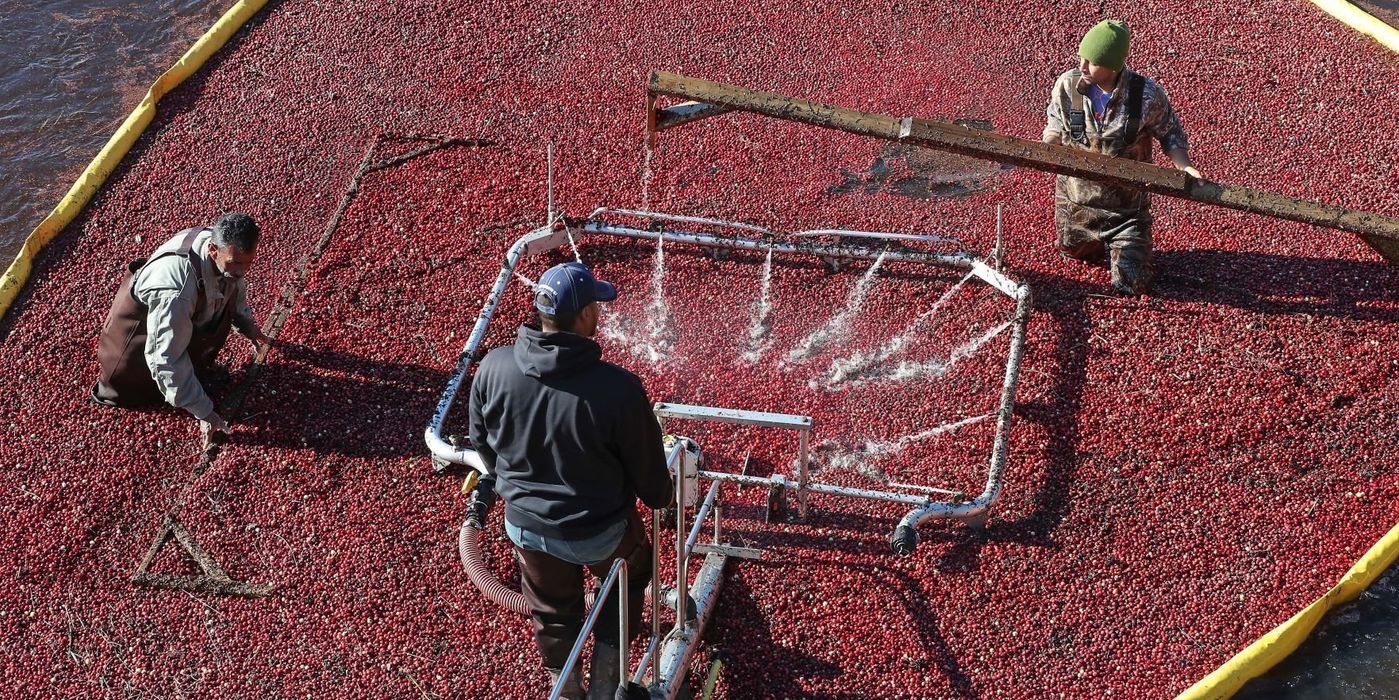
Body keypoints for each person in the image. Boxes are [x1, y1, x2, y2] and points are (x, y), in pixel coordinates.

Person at [467, 262, 672, 700]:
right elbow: (655, 489)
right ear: (582, 316)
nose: (599, 311)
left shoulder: (493, 367)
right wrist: (658, 495)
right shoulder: (618, 390)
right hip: (598, 531)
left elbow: (482, 446)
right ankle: (607, 687)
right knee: (631, 576)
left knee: (555, 614)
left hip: (524, 527)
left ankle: (566, 693)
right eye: (595, 304)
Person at [1043, 19, 1201, 295]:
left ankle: (1129, 248)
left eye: (1091, 61)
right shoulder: (1068, 86)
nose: (1082, 66)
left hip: (1126, 211)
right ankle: (1084, 243)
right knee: (1072, 252)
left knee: (1132, 285)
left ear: (1114, 66)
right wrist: (1048, 145)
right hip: (1076, 203)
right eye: (1081, 57)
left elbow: (1170, 132)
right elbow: (1055, 125)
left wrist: (1184, 166)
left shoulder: (1145, 95)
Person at [93, 213, 271, 441]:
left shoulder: (227, 253)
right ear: (213, 250)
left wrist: (249, 327)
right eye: (236, 263)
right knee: (133, 386)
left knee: (224, 284)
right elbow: (164, 358)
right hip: (133, 352)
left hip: (174, 326)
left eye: (248, 263)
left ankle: (191, 379)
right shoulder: (177, 292)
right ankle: (174, 390)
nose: (242, 270)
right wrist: (205, 411)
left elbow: (234, 287)